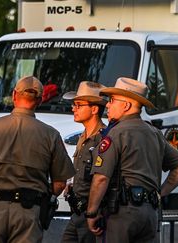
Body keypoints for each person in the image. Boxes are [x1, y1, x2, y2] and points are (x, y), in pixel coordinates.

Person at [0, 76, 76, 243]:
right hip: (29, 213)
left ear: (14, 95)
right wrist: (43, 198)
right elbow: (60, 183)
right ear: (39, 100)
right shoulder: (50, 135)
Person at [86, 77, 178, 242]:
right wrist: (159, 193)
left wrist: (91, 212)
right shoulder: (155, 133)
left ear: (126, 106)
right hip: (150, 215)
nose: (107, 105)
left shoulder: (116, 133)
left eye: (112, 100)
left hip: (121, 214)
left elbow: (101, 178)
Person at [61, 81, 107, 243]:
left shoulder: (103, 139)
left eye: (79, 105)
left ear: (94, 109)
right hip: (77, 212)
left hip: (91, 213)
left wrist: (94, 212)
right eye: (74, 104)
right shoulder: (83, 136)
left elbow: (102, 178)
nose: (74, 108)